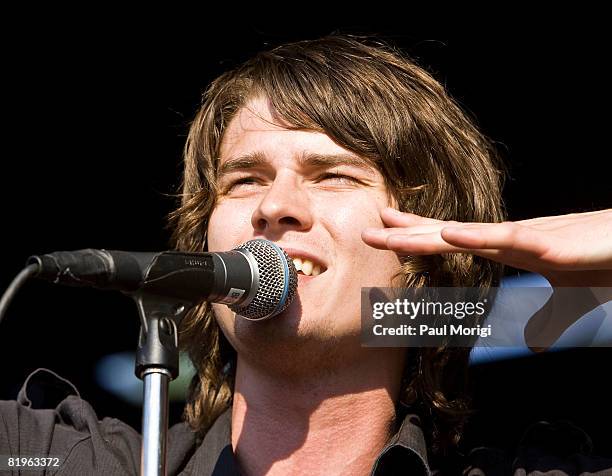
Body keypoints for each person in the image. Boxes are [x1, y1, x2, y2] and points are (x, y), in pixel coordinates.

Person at [1, 35, 611, 475]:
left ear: (429, 258)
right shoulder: (65, 460)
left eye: (333, 175)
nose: (275, 205)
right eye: (243, 180)